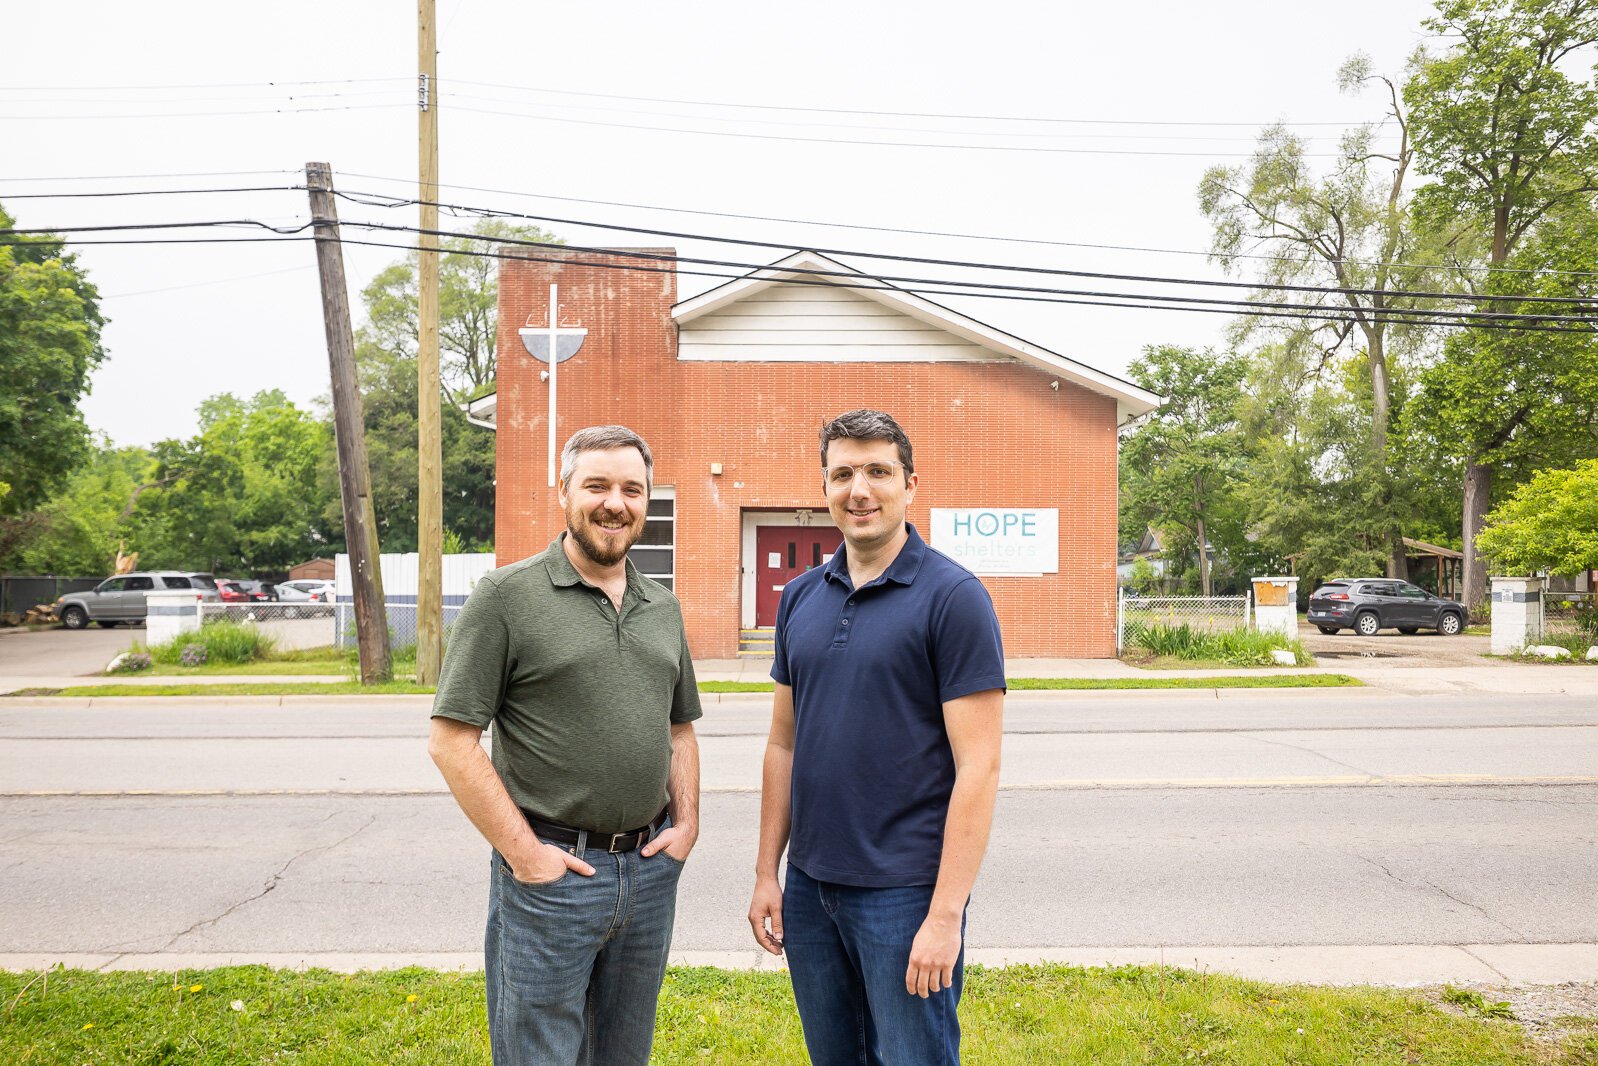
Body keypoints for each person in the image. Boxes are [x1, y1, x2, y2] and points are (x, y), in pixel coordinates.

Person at [430, 424, 701, 1066]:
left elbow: (679, 728)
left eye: (632, 489)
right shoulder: (506, 597)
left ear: (648, 499)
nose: (615, 503)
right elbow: (452, 742)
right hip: (553, 875)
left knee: (621, 1053)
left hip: (648, 873)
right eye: (597, 485)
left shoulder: (662, 606)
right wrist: (525, 855)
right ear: (565, 491)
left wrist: (686, 823)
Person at [748, 409, 1006, 1066]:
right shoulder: (799, 597)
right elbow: (783, 744)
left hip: (905, 895)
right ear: (825, 487)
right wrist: (766, 875)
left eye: (877, 471)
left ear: (910, 484)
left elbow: (979, 767)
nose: (859, 489)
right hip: (809, 889)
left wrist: (945, 915)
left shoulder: (954, 598)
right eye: (842, 473)